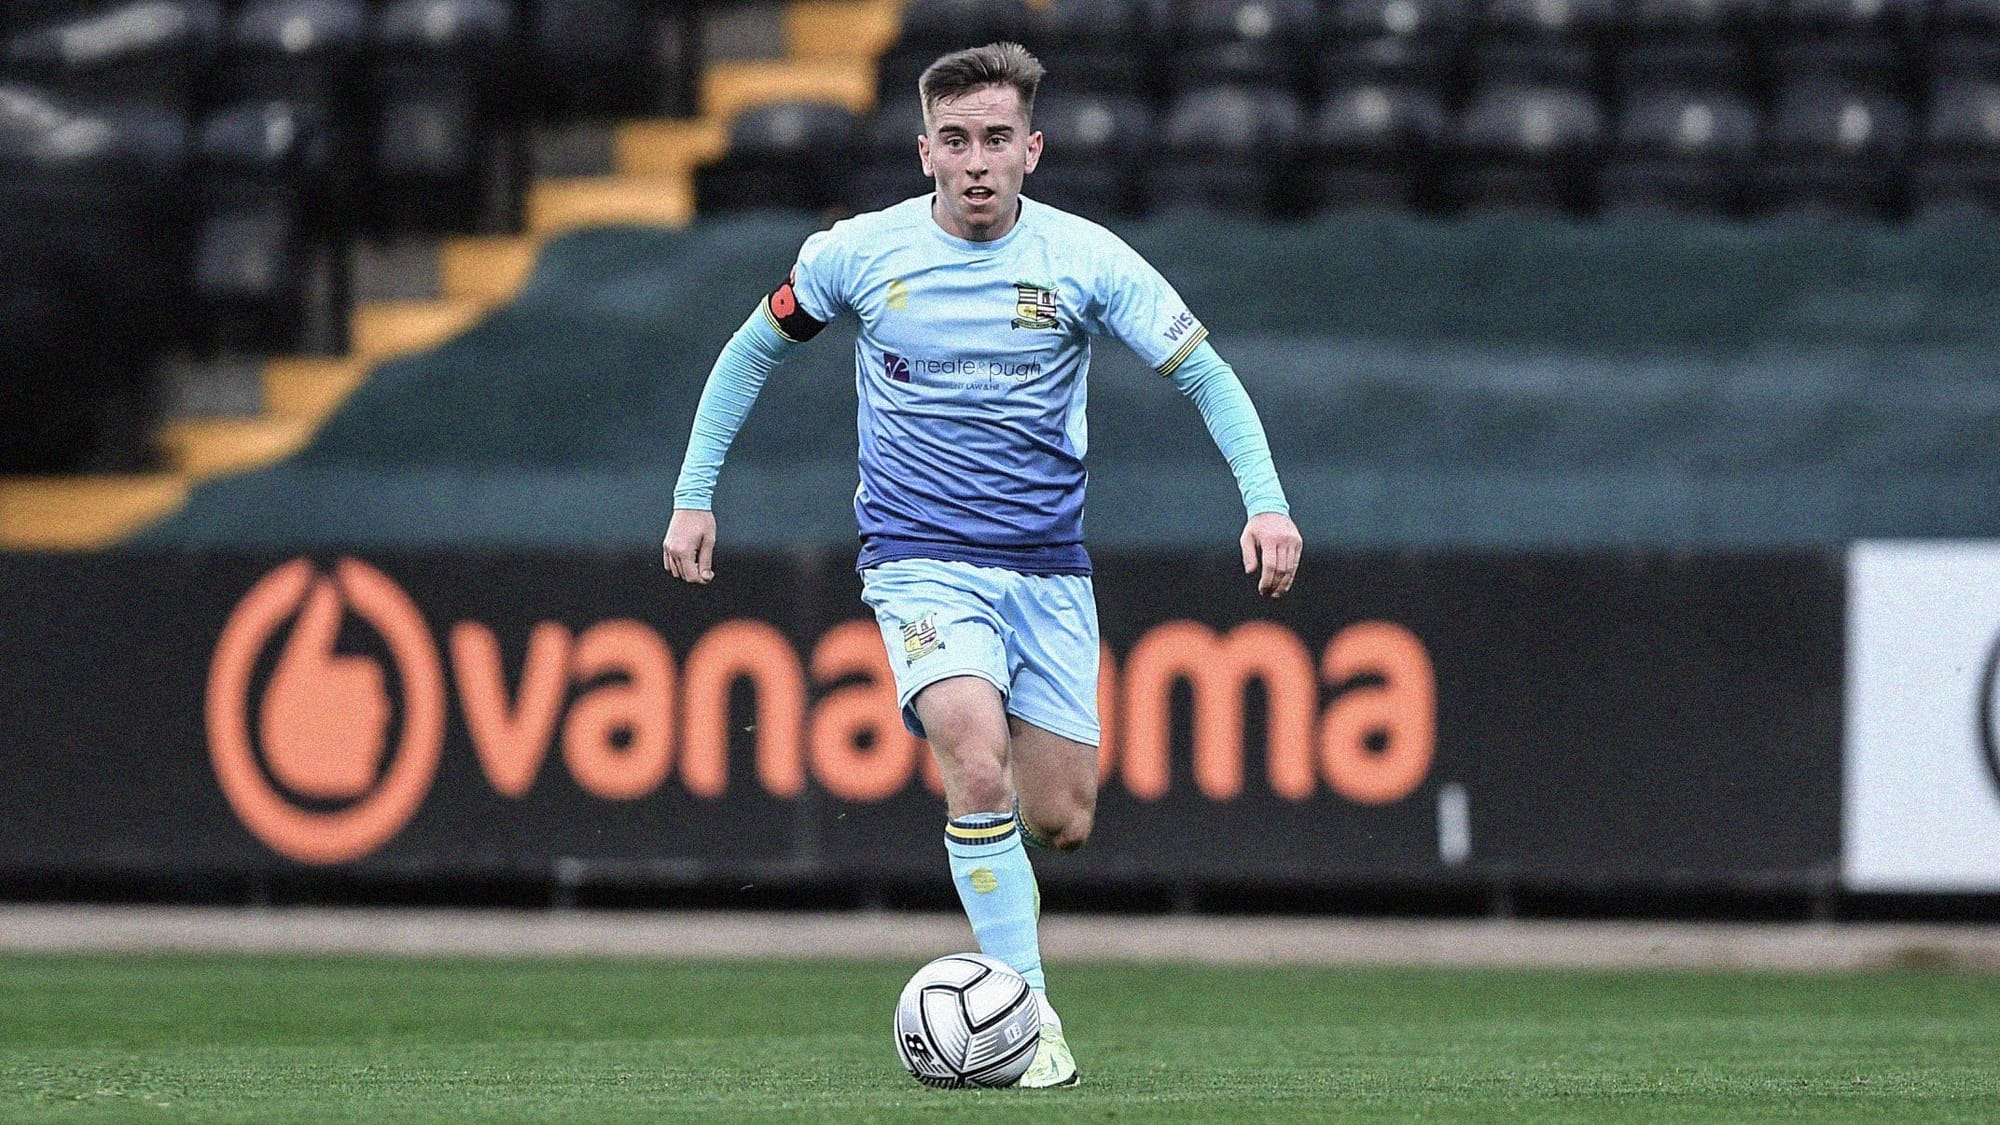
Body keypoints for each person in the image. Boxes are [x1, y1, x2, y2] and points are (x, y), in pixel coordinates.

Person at [663, 42, 1301, 1088]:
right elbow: (750, 351)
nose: (974, 160)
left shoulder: (1084, 261)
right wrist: (696, 494)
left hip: (1046, 570)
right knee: (969, 752)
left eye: (995, 140)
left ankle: (1012, 945)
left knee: (1061, 820)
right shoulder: (856, 256)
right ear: (923, 152)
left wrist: (1265, 505)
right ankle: (1028, 1017)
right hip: (919, 563)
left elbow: (1205, 376)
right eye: (953, 140)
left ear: (1031, 151)